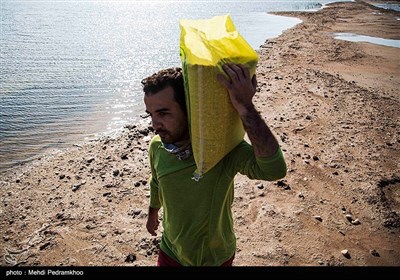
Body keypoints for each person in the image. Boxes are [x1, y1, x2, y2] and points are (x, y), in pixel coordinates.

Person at [141, 63, 287, 266]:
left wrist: (246, 107)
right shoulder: (157, 146)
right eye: (151, 114)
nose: (154, 125)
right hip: (170, 250)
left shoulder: (221, 150)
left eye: (163, 113)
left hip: (214, 258)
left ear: (190, 109)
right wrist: (152, 212)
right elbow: (156, 181)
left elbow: (274, 169)